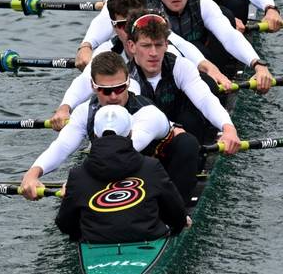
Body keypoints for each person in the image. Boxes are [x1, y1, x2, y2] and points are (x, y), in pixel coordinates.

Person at [21, 51, 209, 203]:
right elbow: (61, 147)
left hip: (160, 167)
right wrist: (33, 173)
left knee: (187, 143)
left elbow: (122, 153)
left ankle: (179, 210)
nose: (113, 96)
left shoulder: (147, 113)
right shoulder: (85, 112)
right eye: (105, 90)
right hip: (119, 168)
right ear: (93, 87)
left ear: (128, 82)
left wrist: (76, 182)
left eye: (119, 88)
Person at [55, 0, 232, 130]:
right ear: (113, 26)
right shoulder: (107, 52)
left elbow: (192, 56)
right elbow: (84, 82)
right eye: (122, 25)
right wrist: (65, 107)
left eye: (134, 22)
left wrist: (211, 69)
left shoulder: (165, 45)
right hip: (139, 119)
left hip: (174, 110)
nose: (128, 29)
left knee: (206, 83)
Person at [53, 105, 189, 244]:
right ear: (130, 133)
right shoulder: (151, 167)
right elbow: (176, 213)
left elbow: (64, 223)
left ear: (94, 134)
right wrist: (176, 226)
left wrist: (81, 234)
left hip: (95, 242)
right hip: (149, 237)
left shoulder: (77, 175)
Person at [151, 0, 275, 92]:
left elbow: (229, 35)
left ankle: (224, 73)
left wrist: (258, 64)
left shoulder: (203, 4)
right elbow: (180, 45)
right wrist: (208, 68)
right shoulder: (148, 15)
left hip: (204, 66)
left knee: (228, 16)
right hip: (165, 74)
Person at [126, 12, 239, 147]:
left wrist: (228, 128)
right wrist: (171, 128)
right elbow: (148, 116)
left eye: (158, 45)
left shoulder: (180, 66)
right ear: (132, 46)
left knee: (191, 122)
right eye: (146, 46)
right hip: (145, 136)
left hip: (181, 133)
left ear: (166, 45)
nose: (153, 53)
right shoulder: (127, 78)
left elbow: (204, 99)